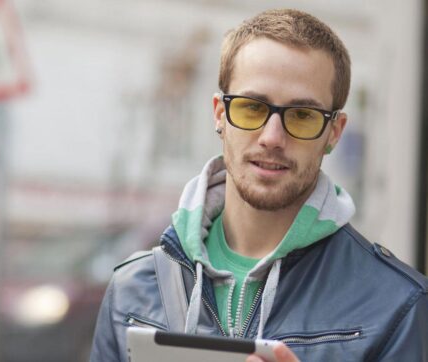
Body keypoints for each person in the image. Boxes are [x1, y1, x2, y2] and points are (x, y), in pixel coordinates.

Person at [90, 8, 428, 362]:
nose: (272, 137)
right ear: (220, 115)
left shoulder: (394, 306)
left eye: (302, 115)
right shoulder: (132, 291)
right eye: (252, 108)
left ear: (334, 132)